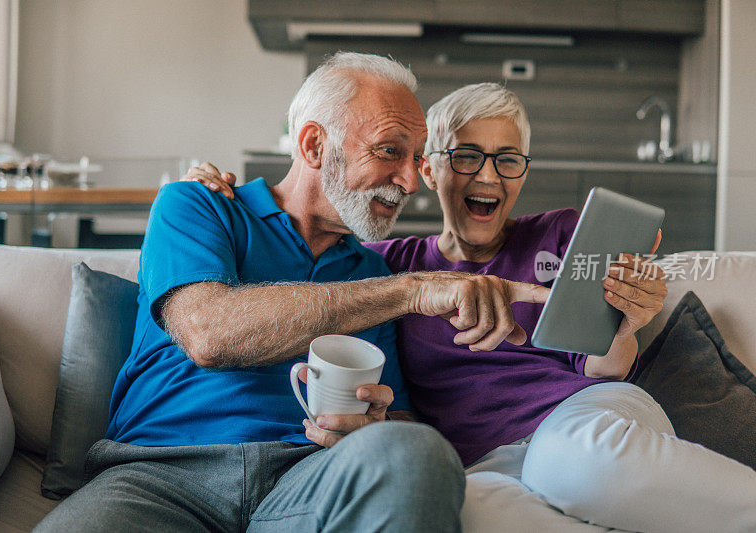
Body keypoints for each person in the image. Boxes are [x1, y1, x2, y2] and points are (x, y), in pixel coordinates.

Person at [191, 82, 756, 533]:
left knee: (572, 464)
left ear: (523, 173)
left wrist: (626, 321)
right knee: (458, 516)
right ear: (428, 170)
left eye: (507, 160)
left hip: (585, 418)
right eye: (467, 156)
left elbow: (606, 366)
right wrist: (227, 195)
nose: (488, 175)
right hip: (481, 465)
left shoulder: (562, 234)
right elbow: (298, 284)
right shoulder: (383, 267)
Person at [34, 52, 557, 532]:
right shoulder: (199, 206)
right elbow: (209, 333)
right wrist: (411, 290)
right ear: (313, 145)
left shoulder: (371, 273)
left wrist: (375, 422)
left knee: (416, 450)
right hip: (160, 475)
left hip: (308, 482)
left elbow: (398, 413)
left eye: (415, 156)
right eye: (389, 151)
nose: (409, 182)